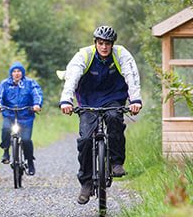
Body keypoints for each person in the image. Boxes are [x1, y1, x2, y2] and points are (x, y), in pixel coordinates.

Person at [59, 25, 142, 204]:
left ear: (113, 45)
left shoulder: (121, 55)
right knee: (86, 139)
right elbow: (72, 78)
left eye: (108, 44)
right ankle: (86, 182)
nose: (104, 47)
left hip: (114, 97)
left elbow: (131, 76)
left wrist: (135, 100)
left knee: (114, 119)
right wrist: (66, 100)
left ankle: (116, 162)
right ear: (95, 43)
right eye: (101, 43)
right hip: (88, 100)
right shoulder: (84, 55)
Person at [0, 62, 43, 175]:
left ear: (22, 73)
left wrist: (37, 105)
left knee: (26, 140)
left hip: (26, 116)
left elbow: (37, 94)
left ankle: (30, 162)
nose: (16, 73)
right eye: (14, 71)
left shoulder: (30, 83)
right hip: (9, 114)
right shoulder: (5, 84)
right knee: (6, 129)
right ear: (11, 73)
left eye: (19, 71)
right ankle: (6, 151)